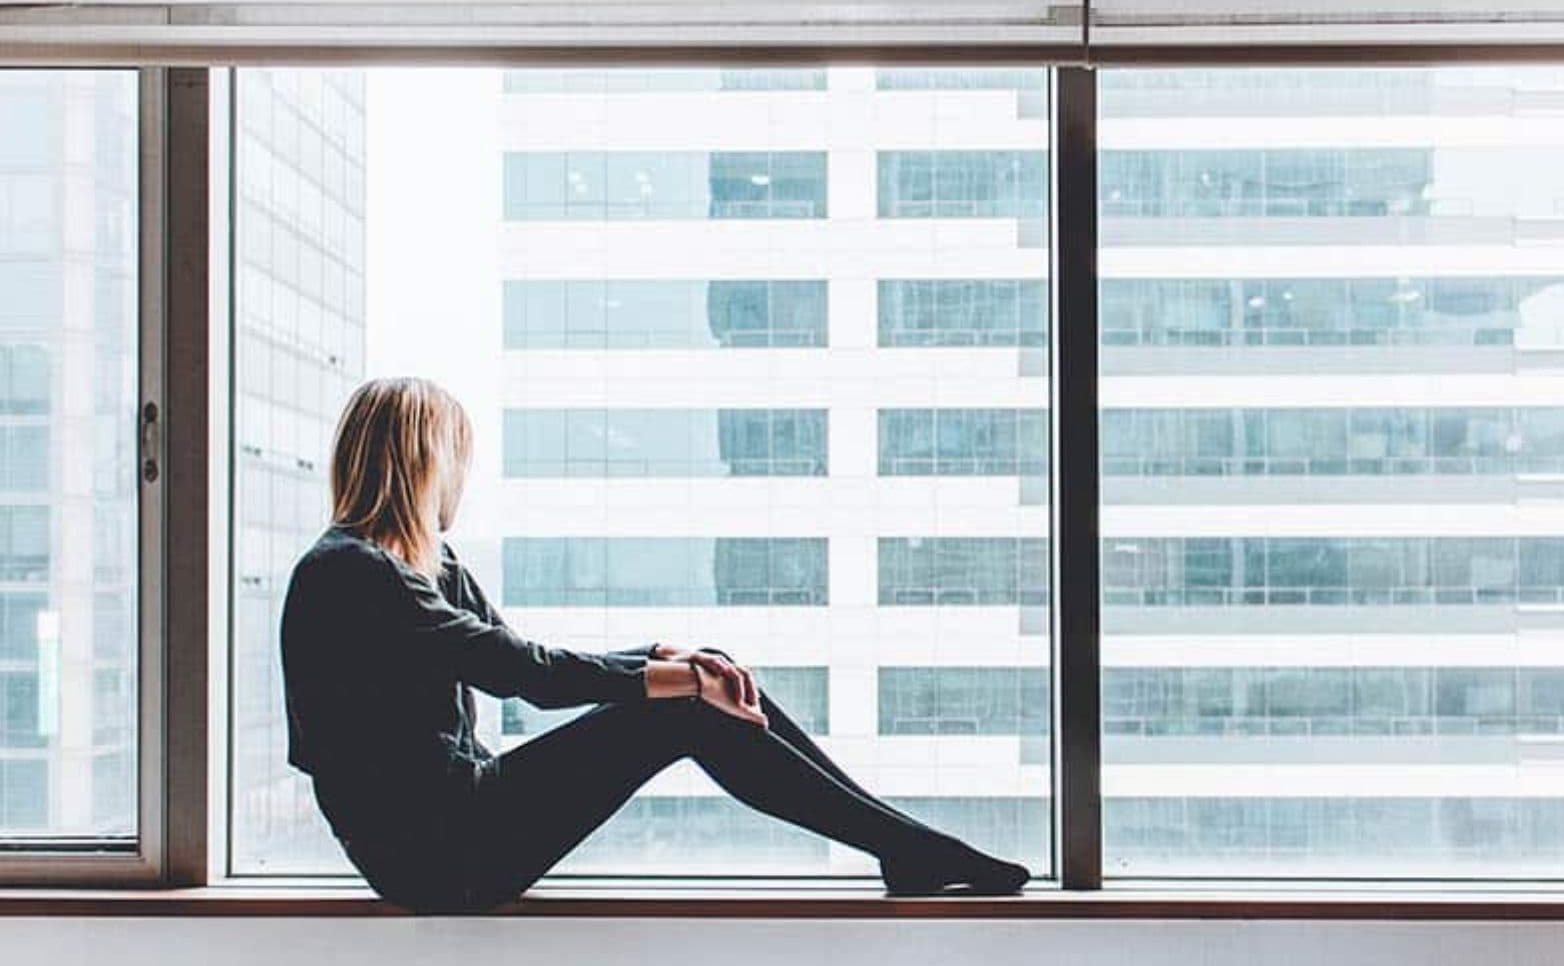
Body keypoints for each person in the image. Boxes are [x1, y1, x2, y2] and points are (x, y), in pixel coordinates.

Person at [279, 376, 1030, 912]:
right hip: (438, 855)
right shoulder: (349, 574)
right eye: (459, 461)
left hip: (462, 824)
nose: (465, 480)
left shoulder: (429, 568)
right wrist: (676, 680)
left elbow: (517, 654)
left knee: (701, 678)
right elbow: (521, 675)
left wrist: (673, 657)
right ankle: (904, 846)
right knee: (687, 705)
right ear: (423, 465)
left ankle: (901, 843)